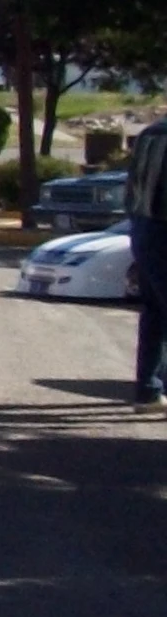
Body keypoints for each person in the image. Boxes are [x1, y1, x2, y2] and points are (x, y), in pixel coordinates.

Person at [125, 119, 167, 406]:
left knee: (154, 312)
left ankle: (148, 389)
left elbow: (130, 188)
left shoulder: (150, 133)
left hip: (143, 227)